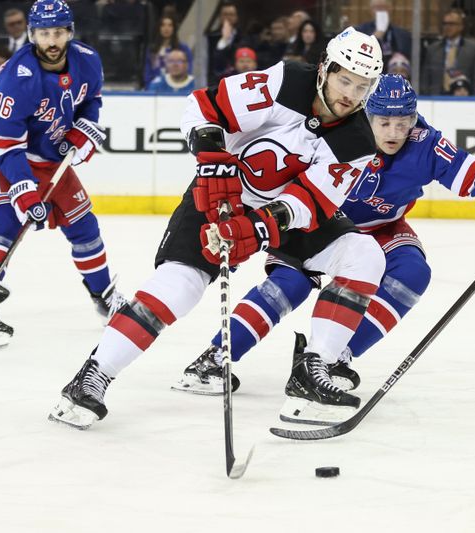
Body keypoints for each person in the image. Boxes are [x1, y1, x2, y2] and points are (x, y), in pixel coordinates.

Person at [48, 27, 386, 430]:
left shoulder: (359, 140)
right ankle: (92, 376)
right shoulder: (285, 81)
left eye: (362, 86)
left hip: (284, 213)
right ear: (325, 69)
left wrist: (257, 228)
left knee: (364, 256)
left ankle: (313, 370)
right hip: (218, 192)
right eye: (344, 79)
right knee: (179, 286)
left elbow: (310, 202)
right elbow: (205, 108)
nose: (350, 93)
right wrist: (212, 159)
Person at [171, 75, 475, 422]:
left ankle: (332, 359)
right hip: (317, 225)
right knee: (291, 283)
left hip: (382, 229)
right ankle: (216, 357)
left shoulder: (424, 142)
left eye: (404, 121)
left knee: (413, 272)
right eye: (384, 122)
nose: (395, 133)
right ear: (366, 113)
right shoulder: (341, 130)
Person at [0, 0, 127, 348]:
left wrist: (84, 127)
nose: (51, 40)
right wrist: (25, 191)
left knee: (84, 225)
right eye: (44, 33)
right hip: (2, 151)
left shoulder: (87, 60)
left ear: (70, 33)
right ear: (32, 35)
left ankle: (104, 297)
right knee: (4, 224)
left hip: (47, 153)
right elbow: (6, 146)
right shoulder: (16, 79)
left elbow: (91, 100)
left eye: (58, 32)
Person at [422, 8, 475, 95]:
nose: (447, 27)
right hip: (436, 99)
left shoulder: (473, 49)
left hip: (462, 98)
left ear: (461, 26)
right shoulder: (432, 49)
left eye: (451, 24)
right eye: (445, 24)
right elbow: (425, 78)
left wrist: (474, 101)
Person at [143, 14, 193, 88]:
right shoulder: (152, 49)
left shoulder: (183, 48)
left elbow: (188, 70)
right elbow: (147, 72)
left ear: (174, 28)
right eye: (163, 25)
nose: (166, 28)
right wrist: (149, 87)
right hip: (154, 88)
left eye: (170, 25)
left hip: (177, 87)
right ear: (159, 28)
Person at [355, 0, 412, 65]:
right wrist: (375, 37)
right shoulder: (360, 31)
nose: (380, 10)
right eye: (377, 7)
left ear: (390, 9)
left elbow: (406, 54)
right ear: (370, 10)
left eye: (384, 7)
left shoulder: (402, 33)